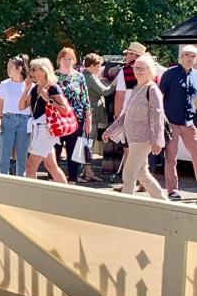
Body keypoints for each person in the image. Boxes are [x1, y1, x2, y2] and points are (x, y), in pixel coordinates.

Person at [103, 55, 167, 200]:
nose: (138, 71)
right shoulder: (137, 87)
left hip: (143, 139)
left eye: (142, 68)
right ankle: (165, 203)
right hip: (133, 139)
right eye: (136, 68)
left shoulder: (152, 90)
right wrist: (110, 130)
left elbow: (157, 116)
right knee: (142, 174)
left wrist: (157, 140)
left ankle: (126, 206)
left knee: (128, 174)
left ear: (150, 70)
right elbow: (126, 114)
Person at [19, 58, 68, 184]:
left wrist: (48, 100)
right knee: (51, 166)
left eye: (34, 70)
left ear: (44, 70)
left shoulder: (53, 88)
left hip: (46, 129)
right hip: (38, 128)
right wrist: (26, 89)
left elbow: (65, 110)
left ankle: (32, 195)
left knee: (30, 167)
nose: (31, 73)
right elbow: (21, 106)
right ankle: (67, 191)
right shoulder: (35, 88)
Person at [159, 44, 197, 201]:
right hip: (171, 122)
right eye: (187, 55)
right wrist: (161, 120)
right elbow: (160, 97)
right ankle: (172, 190)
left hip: (189, 122)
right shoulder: (169, 74)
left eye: (193, 56)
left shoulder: (196, 76)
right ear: (181, 56)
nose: (190, 58)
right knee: (171, 157)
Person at [55, 47, 92, 184]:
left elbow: (85, 99)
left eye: (70, 59)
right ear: (59, 60)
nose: (67, 62)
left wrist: (88, 119)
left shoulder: (79, 77)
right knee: (55, 150)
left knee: (74, 152)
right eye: (64, 59)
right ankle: (54, 180)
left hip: (76, 119)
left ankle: (72, 181)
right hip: (57, 120)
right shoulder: (53, 76)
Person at [0, 55, 31, 176]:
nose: (8, 69)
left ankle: (20, 182)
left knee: (22, 156)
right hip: (8, 120)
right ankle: (2, 182)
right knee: (4, 155)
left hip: (25, 121)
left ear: (19, 68)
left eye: (11, 67)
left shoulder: (29, 85)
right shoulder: (4, 84)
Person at [81, 53, 113, 182]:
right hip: (91, 117)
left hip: (91, 115)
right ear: (92, 65)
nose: (100, 68)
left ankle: (87, 171)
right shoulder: (88, 77)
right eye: (98, 66)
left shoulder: (88, 76)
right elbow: (104, 91)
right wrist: (114, 84)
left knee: (88, 143)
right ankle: (88, 172)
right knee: (88, 143)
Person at [113, 41, 146, 116]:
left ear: (133, 55)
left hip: (128, 114)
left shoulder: (125, 71)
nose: (125, 57)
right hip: (146, 114)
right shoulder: (152, 70)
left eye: (127, 54)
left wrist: (117, 115)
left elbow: (119, 96)